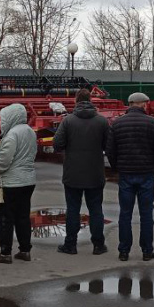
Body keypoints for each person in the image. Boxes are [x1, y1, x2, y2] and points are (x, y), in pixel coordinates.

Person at [106, 92, 154, 262]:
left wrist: (117, 167)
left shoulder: (117, 123)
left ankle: (124, 251)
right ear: (142, 104)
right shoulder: (152, 123)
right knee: (146, 214)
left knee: (125, 214)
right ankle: (147, 251)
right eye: (146, 103)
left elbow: (110, 150)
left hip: (126, 174)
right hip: (146, 174)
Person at [53, 88, 110, 256]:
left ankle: (70, 244)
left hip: (73, 173)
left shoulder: (68, 121)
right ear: (91, 100)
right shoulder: (101, 121)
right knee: (96, 209)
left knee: (72, 209)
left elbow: (57, 144)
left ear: (76, 101)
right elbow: (109, 145)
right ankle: (98, 245)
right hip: (95, 172)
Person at [0, 104, 37, 264]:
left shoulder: (12, 135)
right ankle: (25, 250)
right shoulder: (29, 131)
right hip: (28, 180)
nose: (1, 121)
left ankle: (5, 252)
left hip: (11, 182)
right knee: (23, 216)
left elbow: (4, 160)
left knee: (6, 218)